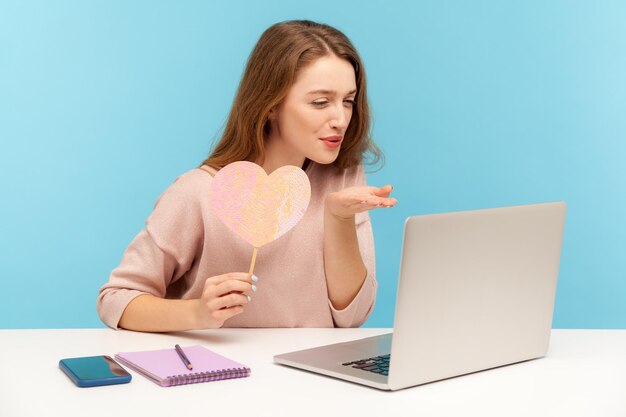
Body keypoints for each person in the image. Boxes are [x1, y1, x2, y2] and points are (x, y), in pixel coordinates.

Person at [97, 20, 397, 332]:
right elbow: (115, 299)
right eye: (320, 102)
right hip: (225, 375)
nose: (340, 118)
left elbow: (353, 318)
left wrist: (338, 218)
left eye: (348, 100)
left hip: (313, 377)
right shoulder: (198, 192)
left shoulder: (343, 179)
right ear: (271, 105)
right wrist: (197, 313)